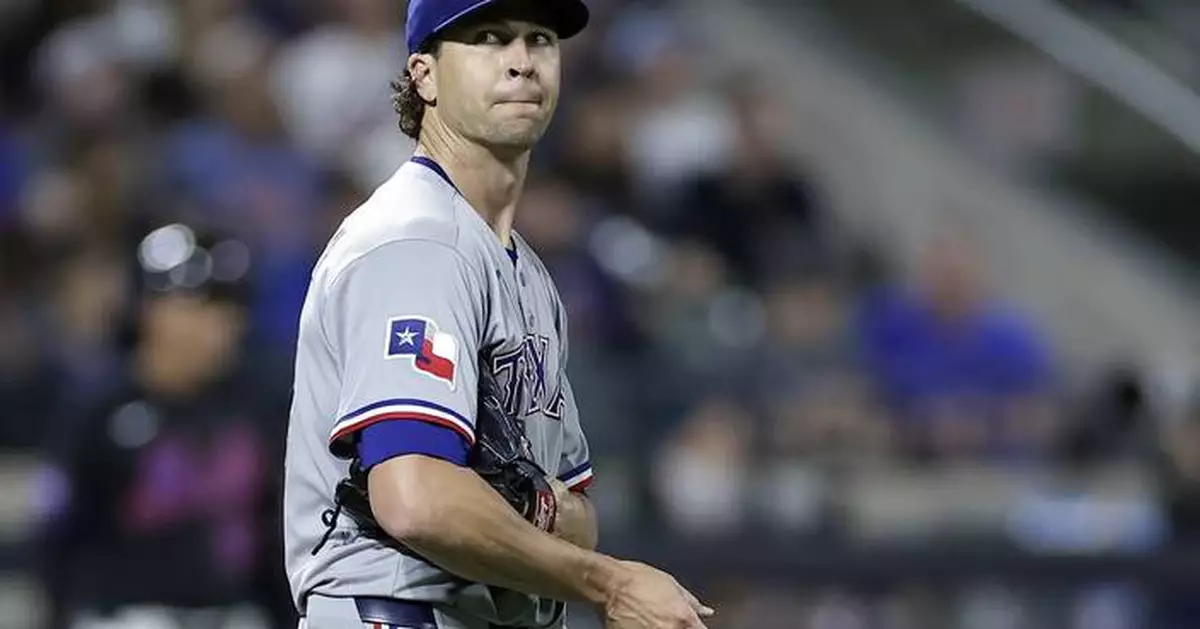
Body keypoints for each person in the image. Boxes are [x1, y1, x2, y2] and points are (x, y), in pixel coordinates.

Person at [282, 0, 714, 628]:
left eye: (539, 39)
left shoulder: (527, 272)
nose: (521, 62)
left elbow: (579, 518)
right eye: (488, 38)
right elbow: (415, 499)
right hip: (397, 610)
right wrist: (611, 583)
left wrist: (525, 502)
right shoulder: (416, 241)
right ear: (425, 75)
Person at [34, 222, 293, 629]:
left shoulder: (261, 406)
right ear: (147, 309)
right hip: (126, 618)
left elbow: (277, 535)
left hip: (236, 615)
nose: (214, 324)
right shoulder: (100, 409)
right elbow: (59, 538)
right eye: (195, 304)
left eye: (226, 308)